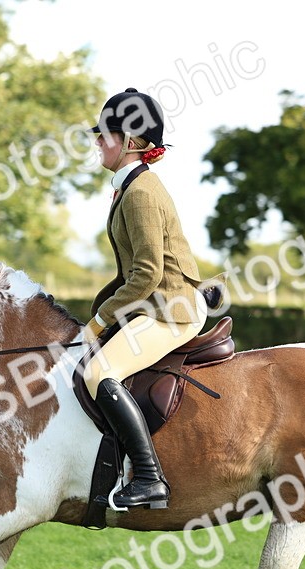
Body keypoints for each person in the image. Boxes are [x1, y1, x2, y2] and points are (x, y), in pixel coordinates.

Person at [83, 87, 208, 510]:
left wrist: (100, 321)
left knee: (99, 373)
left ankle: (150, 477)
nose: (98, 140)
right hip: (153, 304)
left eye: (105, 133)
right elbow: (128, 274)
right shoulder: (129, 186)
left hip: (171, 309)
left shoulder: (139, 192)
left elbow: (148, 273)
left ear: (132, 143)